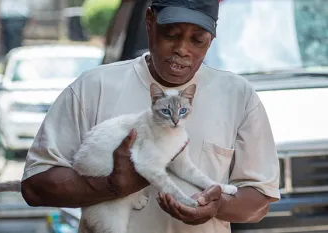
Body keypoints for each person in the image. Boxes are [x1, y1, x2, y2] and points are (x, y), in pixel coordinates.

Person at [21, 0, 280, 232]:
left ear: (211, 38)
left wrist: (217, 205)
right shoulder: (93, 87)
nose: (182, 49)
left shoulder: (238, 95)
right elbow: (34, 187)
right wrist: (110, 186)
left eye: (197, 39)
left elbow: (260, 200)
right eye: (171, 34)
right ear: (149, 22)